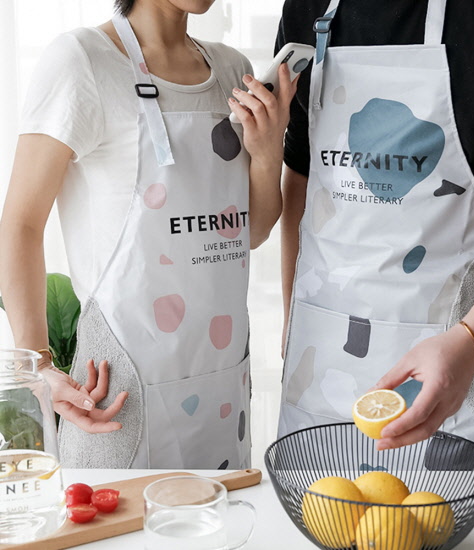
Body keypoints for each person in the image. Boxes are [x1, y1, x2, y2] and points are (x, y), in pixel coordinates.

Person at [0, 0, 296, 469]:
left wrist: (267, 151)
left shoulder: (231, 70)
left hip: (222, 396)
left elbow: (250, 232)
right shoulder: (83, 60)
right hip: (117, 406)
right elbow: (20, 223)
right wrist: (38, 366)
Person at [276, 0, 474, 471]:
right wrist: (290, 318)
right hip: (318, 376)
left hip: (466, 384)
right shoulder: (307, 6)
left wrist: (471, 345)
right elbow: (301, 174)